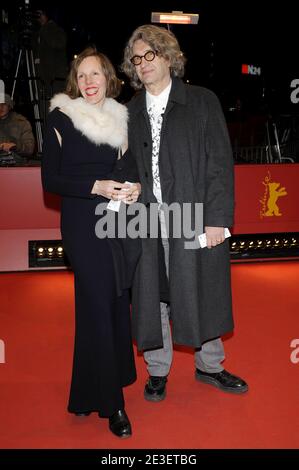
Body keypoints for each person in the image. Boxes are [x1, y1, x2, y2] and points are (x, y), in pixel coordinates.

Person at [121, 25, 248, 402]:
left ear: (167, 56)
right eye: (136, 58)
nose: (142, 64)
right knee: (153, 293)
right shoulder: (128, 112)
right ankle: (158, 371)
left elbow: (219, 164)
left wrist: (218, 218)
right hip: (146, 217)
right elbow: (123, 167)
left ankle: (211, 365)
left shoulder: (202, 101)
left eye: (149, 55)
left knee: (203, 289)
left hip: (194, 214)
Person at [41, 47, 141, 438]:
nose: (88, 82)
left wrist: (131, 188)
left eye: (95, 74)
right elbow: (50, 181)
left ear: (108, 78)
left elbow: (127, 167)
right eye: (82, 76)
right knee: (99, 302)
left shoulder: (120, 118)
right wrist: (93, 186)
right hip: (82, 223)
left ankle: (86, 392)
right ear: (74, 82)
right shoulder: (61, 118)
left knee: (114, 300)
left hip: (116, 221)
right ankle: (112, 404)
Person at [34, 7, 68, 99]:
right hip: (42, 80)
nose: (39, 17)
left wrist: (46, 28)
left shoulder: (56, 29)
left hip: (55, 80)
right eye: (37, 15)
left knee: (57, 107)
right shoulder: (38, 33)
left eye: (41, 14)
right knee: (43, 107)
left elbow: (59, 44)